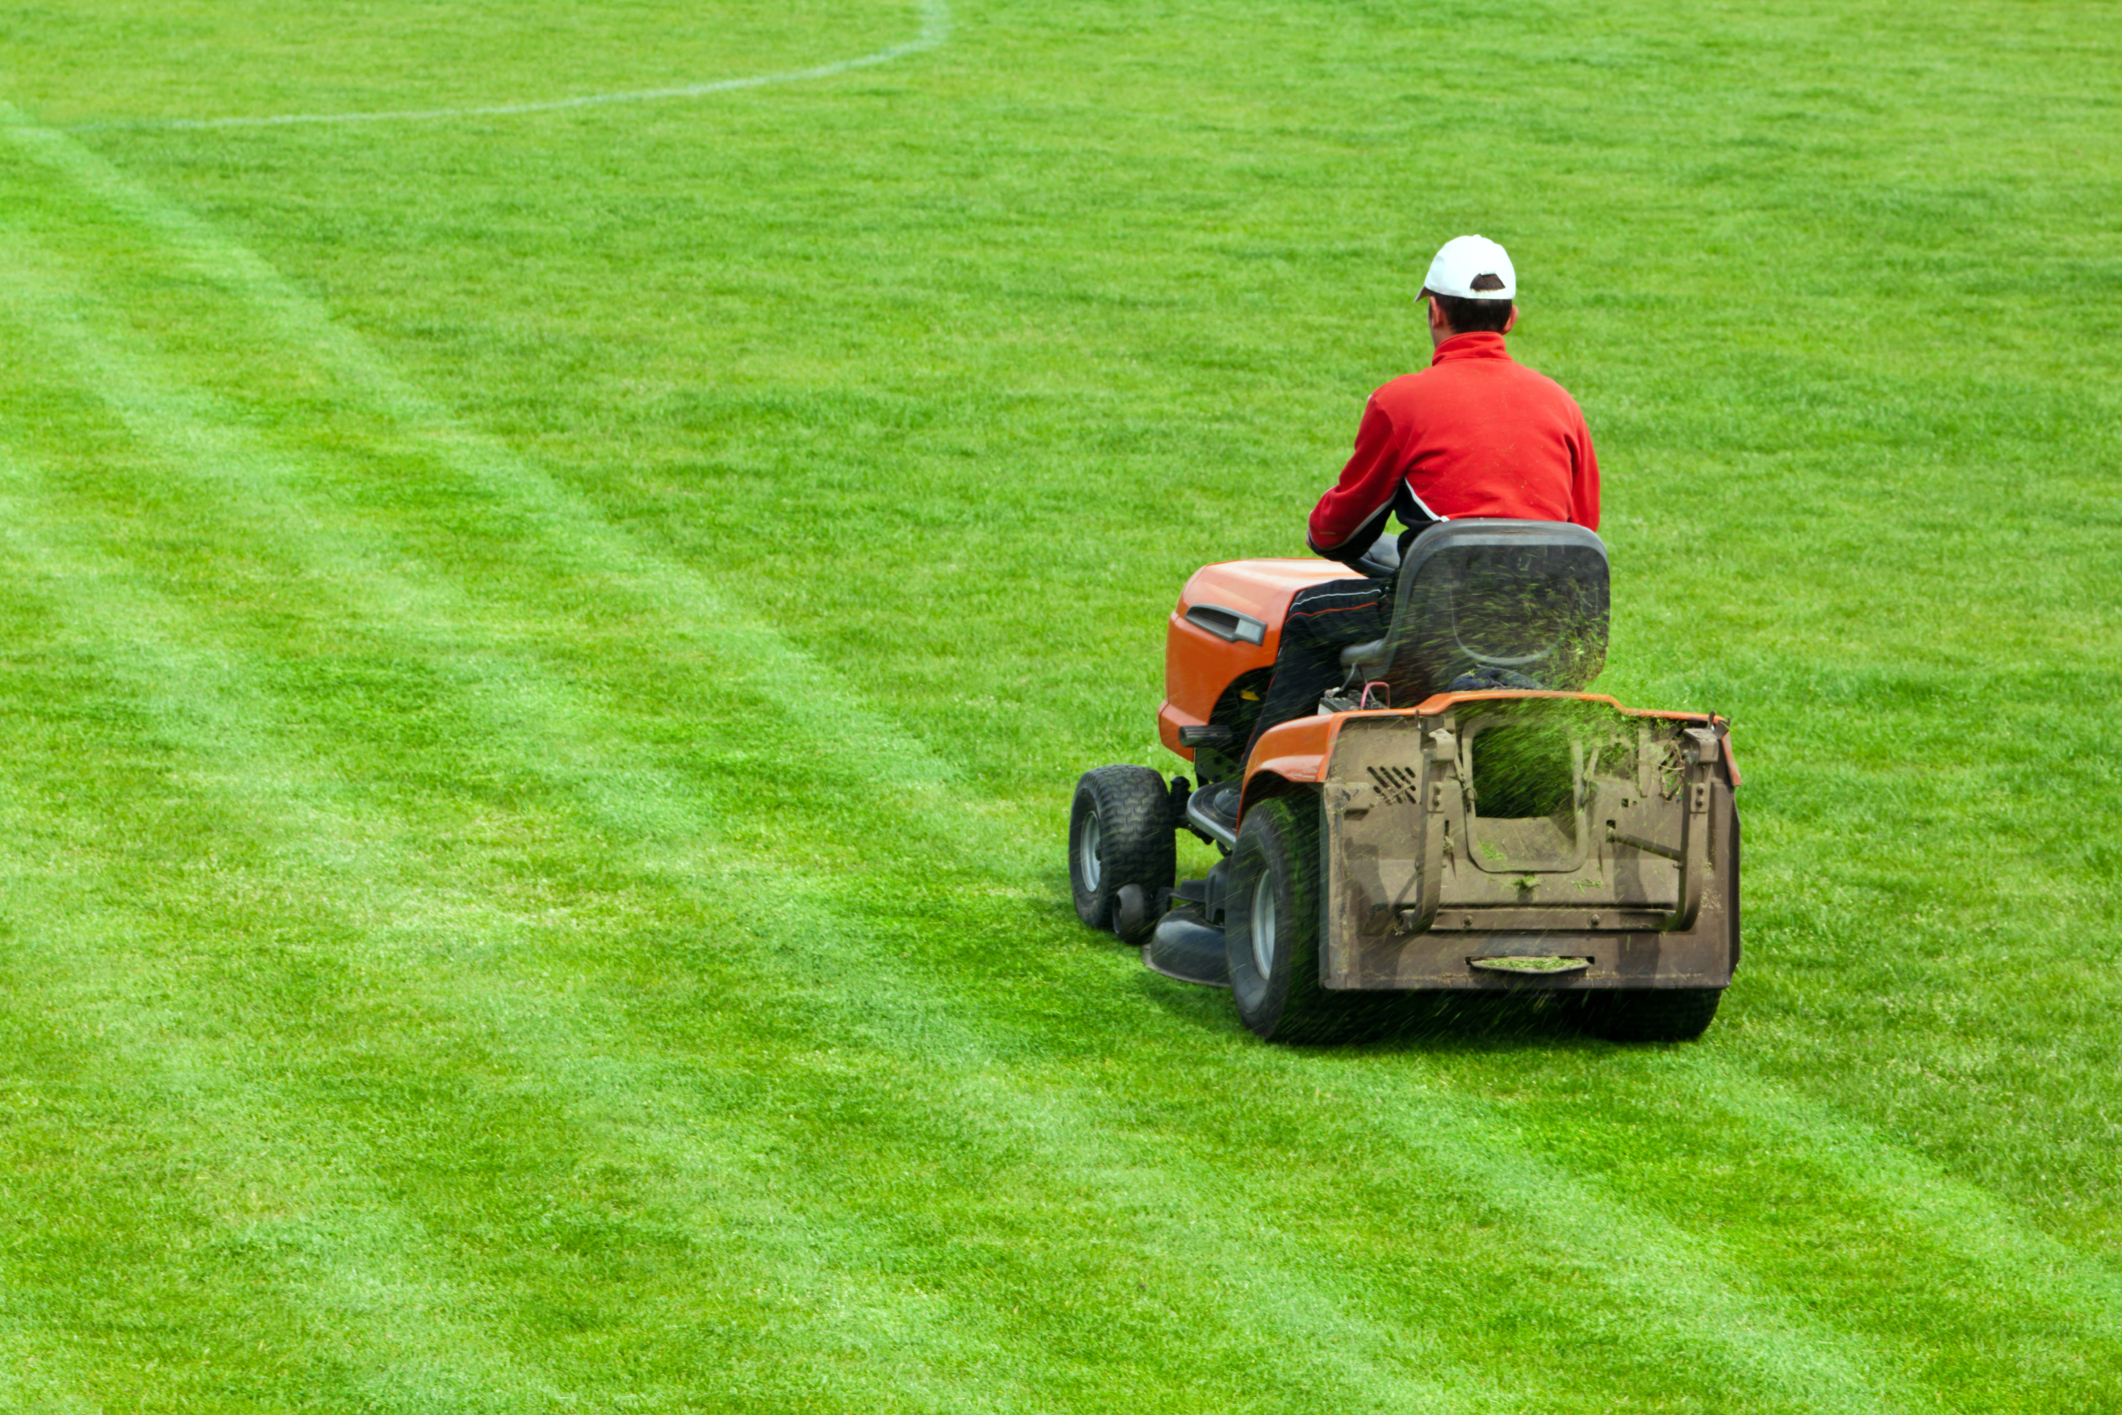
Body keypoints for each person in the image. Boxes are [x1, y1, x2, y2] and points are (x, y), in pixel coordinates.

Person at [1217, 235, 1601, 811]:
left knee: (1307, 616)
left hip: (1433, 628)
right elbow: (1580, 535)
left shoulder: (1403, 403)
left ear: (1436, 310)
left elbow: (1337, 534)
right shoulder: (1562, 406)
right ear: (1512, 318)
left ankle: (1253, 788)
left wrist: (1331, 522)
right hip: (1535, 632)